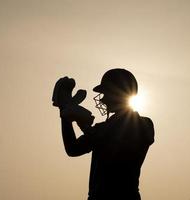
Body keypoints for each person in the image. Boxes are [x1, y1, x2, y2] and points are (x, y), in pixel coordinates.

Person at [58, 68, 154, 200]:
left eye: (106, 94)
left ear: (118, 94)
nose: (103, 100)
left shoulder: (143, 124)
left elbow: (112, 134)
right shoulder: (102, 129)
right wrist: (65, 115)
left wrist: (83, 124)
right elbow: (72, 149)